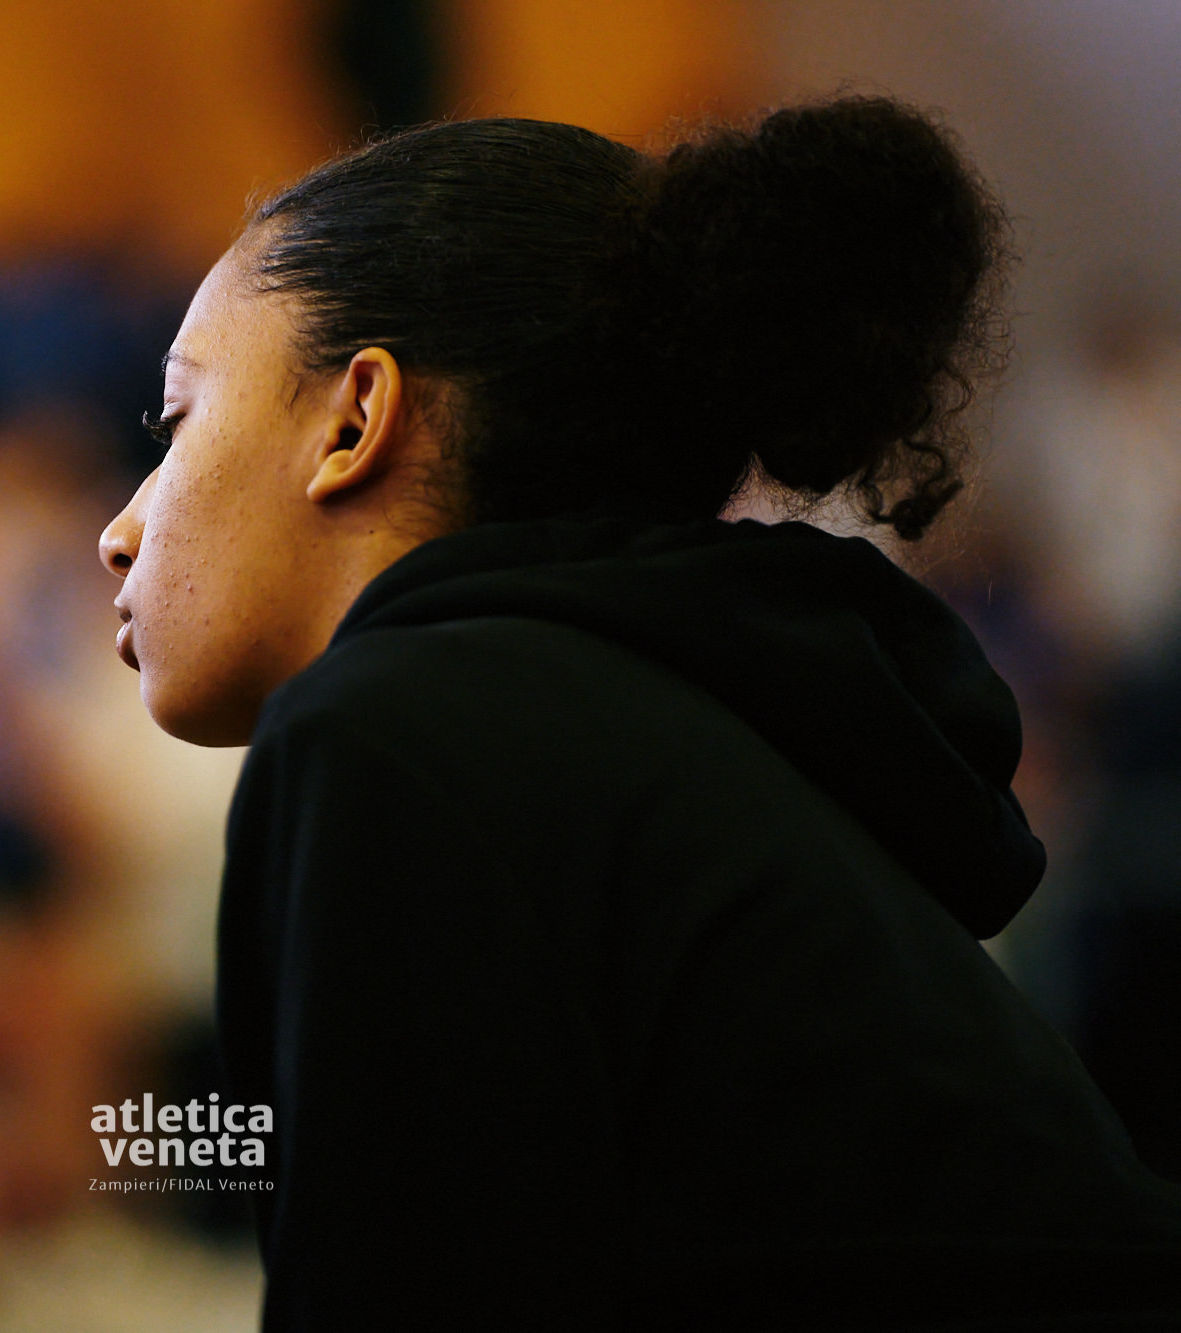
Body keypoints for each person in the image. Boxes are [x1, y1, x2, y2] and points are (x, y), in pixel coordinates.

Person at [98, 99, 1181, 1328]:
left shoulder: (406, 729)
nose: (118, 530)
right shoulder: (667, 724)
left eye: (175, 421)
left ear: (353, 419)